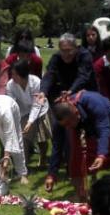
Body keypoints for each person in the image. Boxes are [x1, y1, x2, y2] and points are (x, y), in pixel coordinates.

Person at [40, 33, 97, 181]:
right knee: (60, 132)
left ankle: (87, 167)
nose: (65, 54)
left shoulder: (85, 56)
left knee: (83, 134)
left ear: (76, 48)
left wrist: (71, 91)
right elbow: (49, 75)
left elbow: (83, 76)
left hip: (84, 97)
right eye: (62, 50)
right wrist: (43, 92)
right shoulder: (56, 58)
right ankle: (56, 171)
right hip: (64, 99)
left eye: (69, 50)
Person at [48, 91, 110, 200]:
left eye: (69, 123)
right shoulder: (62, 122)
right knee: (75, 159)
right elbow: (57, 145)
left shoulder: (94, 103)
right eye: (65, 125)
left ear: (76, 112)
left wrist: (101, 154)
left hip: (108, 124)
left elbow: (104, 130)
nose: (68, 127)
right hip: (84, 126)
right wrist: (52, 174)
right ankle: (81, 194)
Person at [6, 59, 49, 169]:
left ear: (22, 74)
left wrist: (30, 122)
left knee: (42, 136)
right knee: (23, 136)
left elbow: (37, 105)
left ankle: (43, 158)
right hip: (24, 112)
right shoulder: (10, 85)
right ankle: (22, 165)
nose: (12, 76)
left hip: (41, 110)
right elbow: (11, 104)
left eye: (14, 74)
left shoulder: (36, 82)